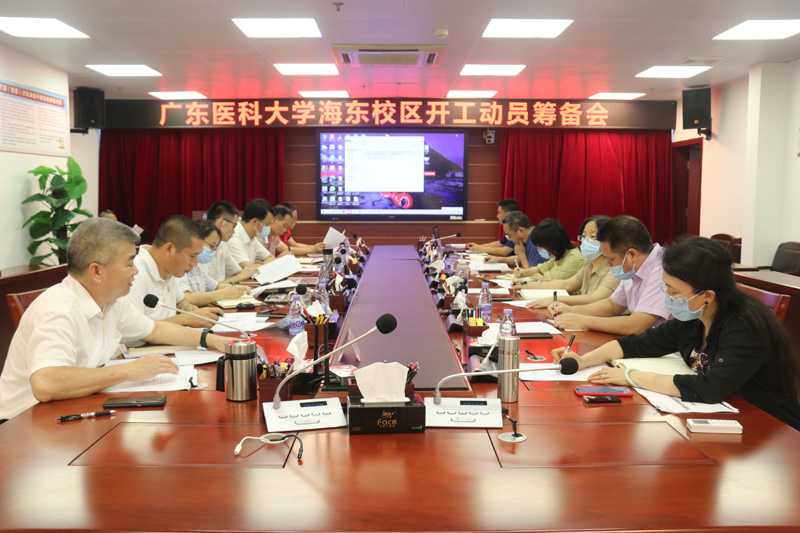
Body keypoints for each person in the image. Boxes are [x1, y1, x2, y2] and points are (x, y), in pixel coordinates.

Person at [552, 236, 800, 432]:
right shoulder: (693, 317)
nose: (668, 297)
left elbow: (710, 388)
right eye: (666, 288)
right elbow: (638, 343)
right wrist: (583, 360)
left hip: (769, 427)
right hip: (722, 417)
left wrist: (630, 376)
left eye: (673, 291)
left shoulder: (743, 327)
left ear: (707, 295)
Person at [0, 218, 231, 422]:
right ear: (96, 272)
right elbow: (46, 384)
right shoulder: (58, 309)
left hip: (69, 408)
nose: (136, 271)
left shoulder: (112, 300)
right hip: (23, 423)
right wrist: (129, 370)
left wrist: (212, 340)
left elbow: (153, 330)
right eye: (129, 264)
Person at [549, 215, 670, 335]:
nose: (607, 264)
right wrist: (570, 310)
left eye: (611, 259)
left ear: (632, 255)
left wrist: (582, 321)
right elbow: (612, 305)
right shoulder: (631, 267)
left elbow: (636, 325)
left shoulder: (663, 268)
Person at [127, 215, 223, 327]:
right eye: (192, 256)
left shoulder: (169, 269)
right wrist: (185, 319)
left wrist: (189, 309)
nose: (195, 263)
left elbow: (180, 302)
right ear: (169, 249)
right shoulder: (135, 275)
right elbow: (135, 329)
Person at [522, 216, 620, 307]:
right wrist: (527, 285)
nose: (586, 241)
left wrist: (555, 300)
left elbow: (595, 299)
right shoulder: (590, 263)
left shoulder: (614, 268)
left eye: (592, 237)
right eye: (584, 236)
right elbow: (567, 284)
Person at [180, 220, 251, 307]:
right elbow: (186, 298)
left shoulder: (195, 269)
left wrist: (237, 288)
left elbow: (215, 286)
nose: (195, 263)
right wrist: (223, 293)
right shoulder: (179, 267)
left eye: (215, 247)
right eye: (211, 245)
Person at [512, 218, 586, 286]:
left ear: (552, 243)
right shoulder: (558, 256)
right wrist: (523, 272)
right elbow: (542, 268)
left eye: (540, 246)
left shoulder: (574, 257)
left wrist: (542, 278)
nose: (538, 248)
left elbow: (555, 279)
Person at [203, 201, 258, 283]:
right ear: (221, 222)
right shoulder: (202, 247)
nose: (234, 231)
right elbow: (207, 286)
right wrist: (241, 276)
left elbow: (238, 271)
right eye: (233, 226)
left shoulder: (222, 245)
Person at [227, 199, 275, 268]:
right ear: (255, 222)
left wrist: (262, 265)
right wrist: (262, 266)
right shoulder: (233, 236)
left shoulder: (251, 237)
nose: (269, 228)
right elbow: (248, 268)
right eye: (267, 225)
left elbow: (270, 257)